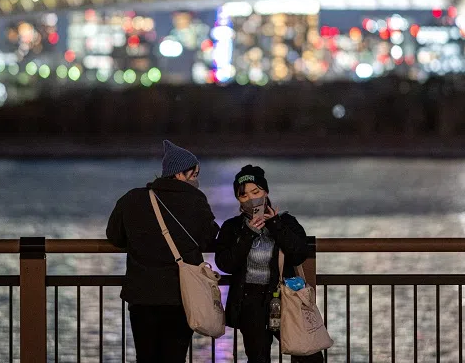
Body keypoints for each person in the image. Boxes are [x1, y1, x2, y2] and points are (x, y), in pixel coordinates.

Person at [107, 140, 220, 363]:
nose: (196, 178)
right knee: (174, 357)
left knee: (146, 357)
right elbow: (207, 238)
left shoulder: (132, 199)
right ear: (180, 174)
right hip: (180, 297)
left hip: (142, 297)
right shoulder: (196, 201)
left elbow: (115, 236)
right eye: (194, 173)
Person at [215, 165, 324, 363]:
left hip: (284, 298)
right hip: (249, 301)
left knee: (309, 354)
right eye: (244, 195)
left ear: (266, 192)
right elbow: (225, 263)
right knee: (258, 358)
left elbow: (299, 253)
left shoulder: (286, 221)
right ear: (238, 199)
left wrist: (275, 225)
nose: (251, 199)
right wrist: (248, 233)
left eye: (256, 192)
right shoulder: (232, 227)